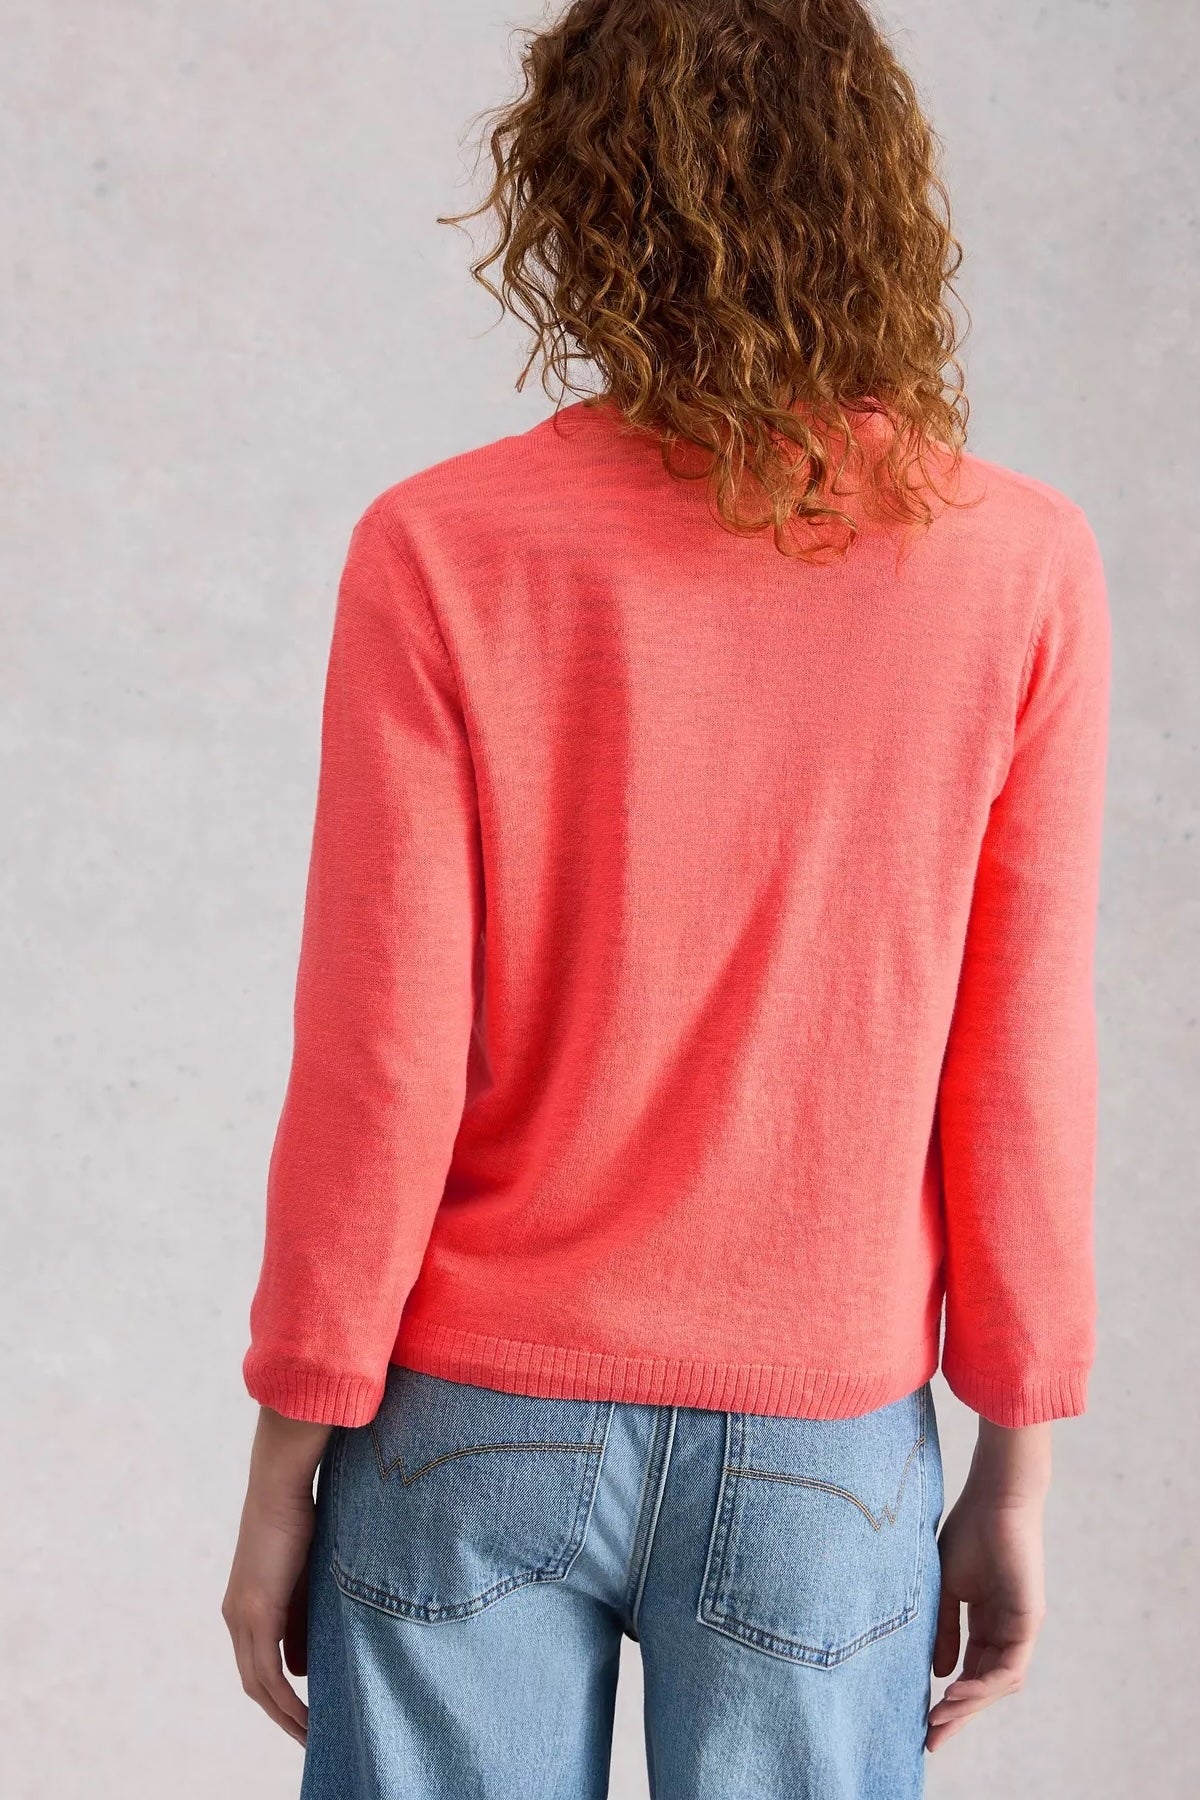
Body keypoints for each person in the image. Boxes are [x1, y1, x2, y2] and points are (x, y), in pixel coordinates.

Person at [222, 2, 1111, 1795]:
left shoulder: (443, 550)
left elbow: (380, 1058)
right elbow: (1018, 1065)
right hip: (824, 1445)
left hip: (470, 1416)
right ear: (875, 192)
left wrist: (286, 1456)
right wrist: (1014, 1467)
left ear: (579, 201)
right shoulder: (1019, 565)